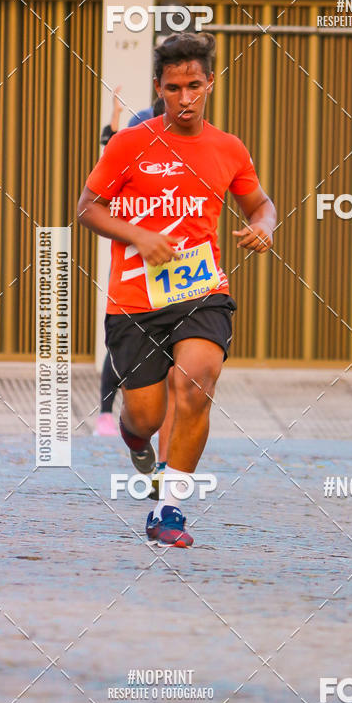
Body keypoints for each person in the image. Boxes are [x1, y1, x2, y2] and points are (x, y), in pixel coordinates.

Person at [78, 32, 276, 547]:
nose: (185, 98)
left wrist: (264, 226)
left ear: (210, 83)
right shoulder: (129, 143)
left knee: (198, 381)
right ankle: (134, 438)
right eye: (173, 88)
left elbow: (260, 204)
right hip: (135, 301)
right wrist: (140, 236)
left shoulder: (228, 148)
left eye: (194, 86)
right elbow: (87, 208)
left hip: (201, 288)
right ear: (158, 88)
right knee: (145, 416)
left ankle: (169, 510)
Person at [94, 92, 167, 438]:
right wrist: (115, 114)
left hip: (173, 273)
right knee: (121, 348)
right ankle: (106, 414)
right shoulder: (126, 162)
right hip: (132, 270)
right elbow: (108, 147)